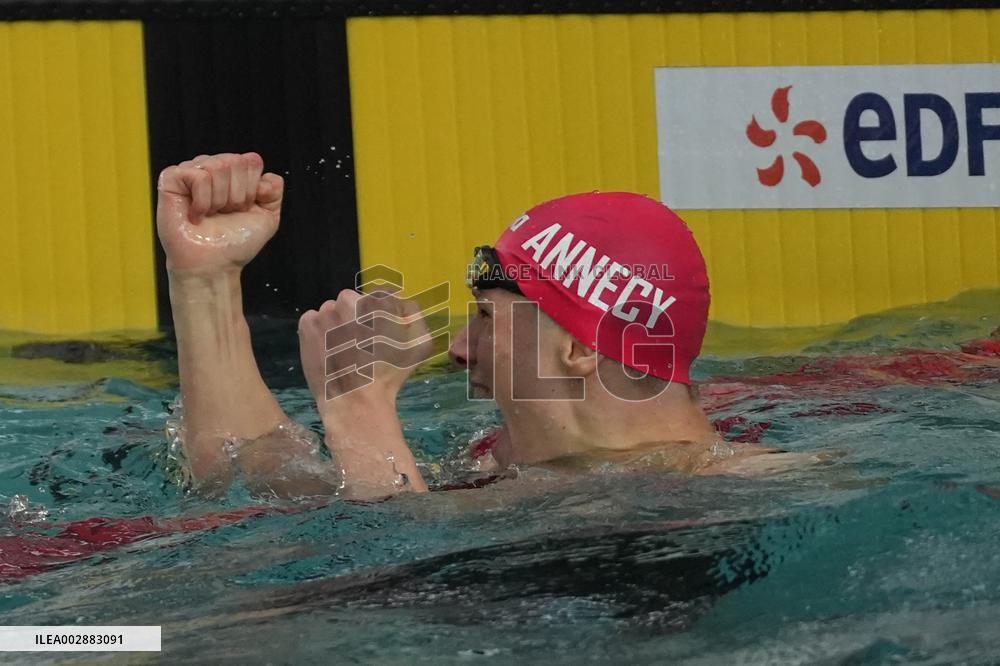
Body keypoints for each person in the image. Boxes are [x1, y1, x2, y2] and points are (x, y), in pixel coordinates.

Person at [157, 152, 804, 500]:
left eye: (488, 317)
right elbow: (241, 477)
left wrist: (360, 410)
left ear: (581, 348)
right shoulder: (493, 466)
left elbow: (389, 582)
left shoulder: (738, 494)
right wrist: (205, 282)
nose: (461, 350)